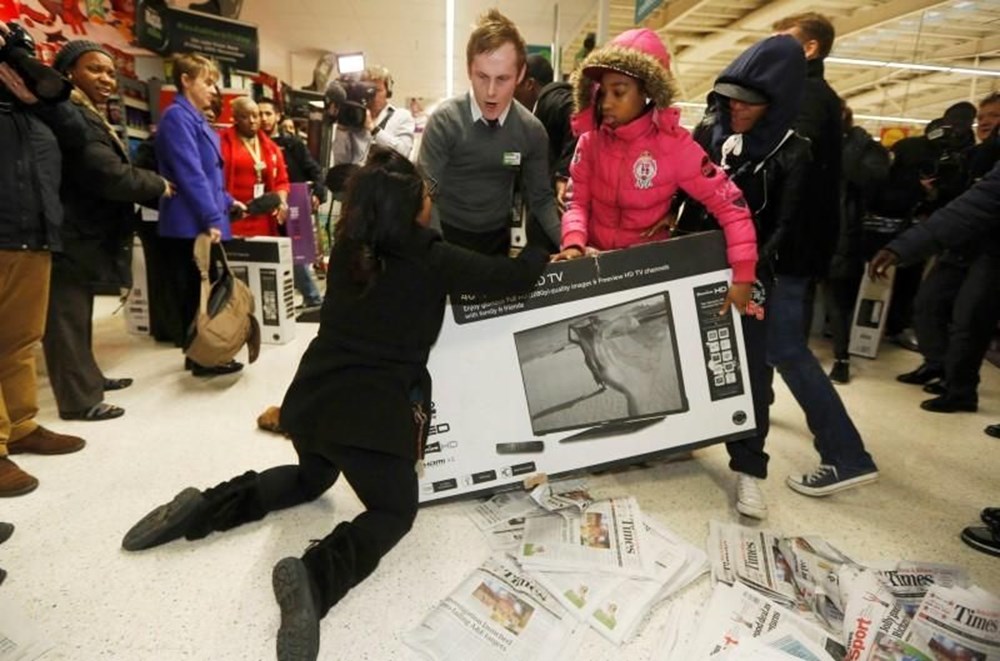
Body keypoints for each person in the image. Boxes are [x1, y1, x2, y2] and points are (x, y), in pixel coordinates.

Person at [120, 147, 548, 661]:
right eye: (426, 194)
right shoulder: (433, 257)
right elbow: (513, 278)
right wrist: (543, 249)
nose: (431, 200)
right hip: (372, 418)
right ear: (412, 208)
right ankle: (316, 577)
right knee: (394, 511)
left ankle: (204, 506)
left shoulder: (350, 248)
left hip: (312, 401)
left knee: (313, 477)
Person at [680, 35, 878, 517]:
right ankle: (693, 437)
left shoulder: (795, 145)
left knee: (765, 359)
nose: (736, 108)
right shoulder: (711, 131)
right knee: (710, 355)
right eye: (731, 98)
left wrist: (749, 271)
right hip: (703, 265)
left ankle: (780, 463)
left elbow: (786, 222)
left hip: (763, 271)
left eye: (749, 101)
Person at [554, 28, 756, 310]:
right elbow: (577, 202)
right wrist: (573, 244)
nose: (607, 103)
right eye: (602, 93)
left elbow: (731, 207)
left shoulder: (675, 147)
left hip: (647, 278)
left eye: (619, 92)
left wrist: (743, 276)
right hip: (593, 270)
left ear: (647, 91)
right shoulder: (590, 142)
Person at [869, 159, 1000, 557]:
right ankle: (943, 372)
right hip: (973, 244)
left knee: (968, 320)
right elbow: (977, 202)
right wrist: (905, 246)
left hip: (983, 247)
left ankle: (959, 387)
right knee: (940, 309)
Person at [42, 40, 171, 421]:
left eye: (111, 72)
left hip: (81, 232)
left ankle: (89, 378)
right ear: (68, 72)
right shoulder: (69, 112)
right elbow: (105, 173)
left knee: (77, 314)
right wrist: (157, 184)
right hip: (67, 232)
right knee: (65, 319)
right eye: (94, 69)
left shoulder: (82, 111)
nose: (106, 79)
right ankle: (79, 401)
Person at [0, 21, 89, 497]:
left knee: (19, 341)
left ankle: (20, 426)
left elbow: (77, 137)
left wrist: (39, 98)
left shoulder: (35, 107)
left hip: (33, 235)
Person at [417, 9, 562, 255]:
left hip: (496, 240)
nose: (491, 92)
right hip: (447, 235)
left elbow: (541, 198)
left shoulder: (531, 131)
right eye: (482, 77)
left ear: (521, 74)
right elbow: (426, 195)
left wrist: (570, 243)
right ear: (469, 70)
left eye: (502, 78)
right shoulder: (445, 122)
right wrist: (438, 251)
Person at [894, 93, 1000, 413]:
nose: (985, 122)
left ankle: (960, 390)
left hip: (992, 248)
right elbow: (957, 203)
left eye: (994, 116)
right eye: (982, 116)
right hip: (959, 243)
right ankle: (936, 364)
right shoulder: (970, 156)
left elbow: (981, 203)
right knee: (927, 304)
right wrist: (935, 192)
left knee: (969, 319)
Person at [155, 53, 247, 377]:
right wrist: (211, 216)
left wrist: (229, 200)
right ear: (185, 80)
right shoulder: (176, 118)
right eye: (207, 82)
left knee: (204, 292)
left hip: (201, 217)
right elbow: (189, 172)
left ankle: (203, 353)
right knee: (196, 293)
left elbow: (210, 175)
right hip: (189, 223)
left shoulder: (194, 119)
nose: (213, 89)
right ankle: (201, 357)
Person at [772, 12, 844, 339]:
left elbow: (794, 162)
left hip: (792, 238)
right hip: (793, 235)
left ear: (809, 48)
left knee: (783, 340)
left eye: (781, 43)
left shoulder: (808, 95)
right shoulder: (801, 93)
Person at [825, 103, 890, 383]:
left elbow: (874, 181)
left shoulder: (865, 148)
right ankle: (796, 351)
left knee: (838, 300)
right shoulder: (814, 142)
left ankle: (842, 358)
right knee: (803, 296)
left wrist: (846, 153)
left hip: (844, 234)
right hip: (813, 231)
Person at [258, 97, 327, 309]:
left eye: (268, 113)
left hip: (292, 205)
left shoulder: (293, 145)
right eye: (259, 114)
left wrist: (317, 192)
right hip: (262, 208)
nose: (263, 118)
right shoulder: (253, 144)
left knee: (295, 253)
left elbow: (314, 171)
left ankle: (312, 297)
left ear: (278, 116)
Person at [514, 53, 575, 253]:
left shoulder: (552, 100)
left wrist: (563, 174)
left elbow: (575, 115)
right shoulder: (534, 116)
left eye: (514, 84)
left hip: (556, 221)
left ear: (529, 84)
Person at [220, 96, 290, 238]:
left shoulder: (271, 147)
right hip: (233, 215)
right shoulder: (221, 142)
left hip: (262, 218)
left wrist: (282, 201)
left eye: (255, 116)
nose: (252, 121)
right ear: (235, 119)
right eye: (245, 117)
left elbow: (282, 181)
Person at [361, 64, 415, 158]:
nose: (373, 95)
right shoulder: (356, 116)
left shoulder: (401, 116)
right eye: (368, 90)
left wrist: (374, 130)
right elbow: (340, 159)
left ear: (388, 92)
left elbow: (404, 152)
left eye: (378, 90)